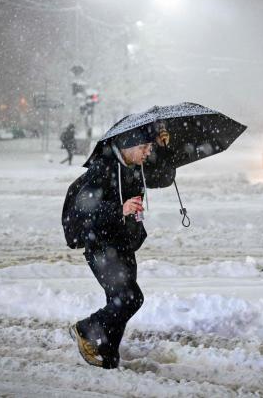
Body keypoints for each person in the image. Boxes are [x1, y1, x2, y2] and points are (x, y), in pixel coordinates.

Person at [63, 124, 174, 369]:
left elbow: (165, 178)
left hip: (123, 243)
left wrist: (164, 149)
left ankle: (108, 358)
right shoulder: (102, 168)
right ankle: (85, 328)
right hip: (101, 244)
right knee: (130, 299)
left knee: (118, 305)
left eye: (150, 147)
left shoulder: (136, 167)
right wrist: (119, 209)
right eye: (145, 147)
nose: (148, 152)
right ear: (128, 145)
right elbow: (85, 210)